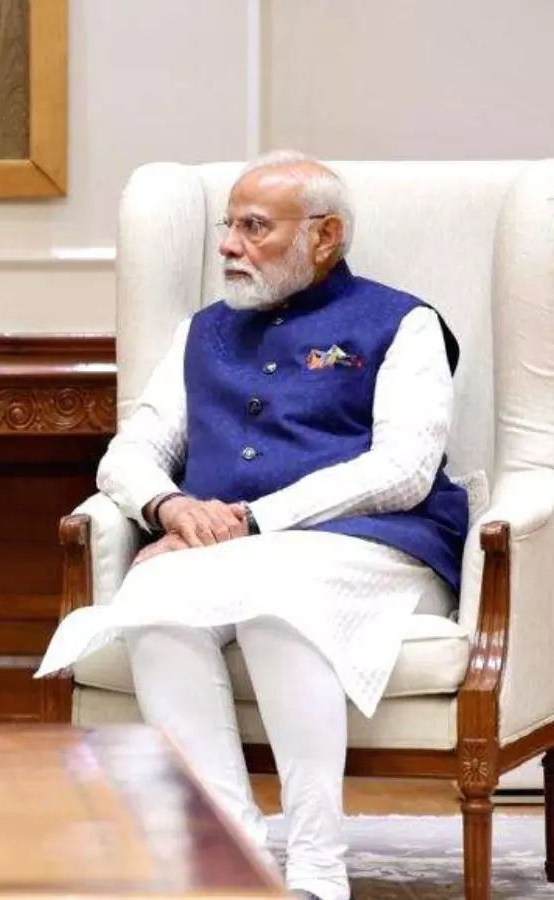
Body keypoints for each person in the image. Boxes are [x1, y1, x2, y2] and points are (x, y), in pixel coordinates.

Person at [36, 150, 468, 900]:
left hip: (379, 549)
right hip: (222, 553)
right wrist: (167, 508)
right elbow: (131, 451)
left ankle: (317, 870)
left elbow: (403, 470)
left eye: (253, 227)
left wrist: (255, 521)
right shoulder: (200, 332)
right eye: (227, 225)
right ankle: (229, 856)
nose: (228, 245)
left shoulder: (404, 323)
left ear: (324, 237)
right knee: (160, 604)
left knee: (274, 603)